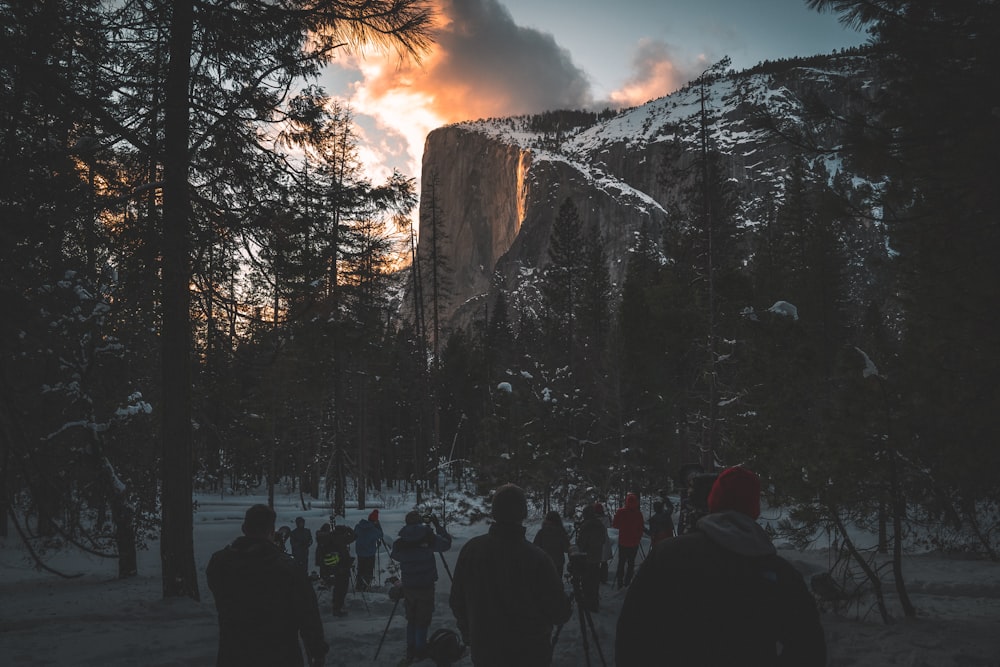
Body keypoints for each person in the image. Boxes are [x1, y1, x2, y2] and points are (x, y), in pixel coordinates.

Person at [615, 466, 827, 666]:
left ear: (712, 502)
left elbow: (632, 632)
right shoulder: (780, 574)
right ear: (754, 509)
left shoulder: (668, 555)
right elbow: (809, 648)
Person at [450, 484, 571, 667]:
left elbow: (457, 601)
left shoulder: (471, 550)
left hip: (485, 653)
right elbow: (559, 612)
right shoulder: (537, 558)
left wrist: (471, 633)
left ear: (494, 512)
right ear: (522, 513)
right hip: (529, 656)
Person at [206, 504, 328, 667]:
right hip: (280, 655)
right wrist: (317, 652)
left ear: (244, 528)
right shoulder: (287, 569)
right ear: (271, 530)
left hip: (234, 654)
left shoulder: (220, 563)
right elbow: (308, 614)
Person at [390, 509, 453, 662]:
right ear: (420, 521)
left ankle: (411, 648)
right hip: (425, 585)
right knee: (423, 619)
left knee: (412, 618)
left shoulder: (401, 541)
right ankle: (420, 650)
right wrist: (438, 526)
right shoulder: (428, 536)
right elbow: (446, 544)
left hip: (409, 586)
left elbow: (395, 555)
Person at [315, 517, 356, 616]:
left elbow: (319, 556)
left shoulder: (325, 540)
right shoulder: (338, 538)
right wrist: (347, 528)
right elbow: (354, 536)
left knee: (338, 587)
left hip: (334, 568)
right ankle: (337, 608)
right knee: (341, 588)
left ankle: (336, 605)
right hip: (342, 567)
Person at [574, 503, 607, 612]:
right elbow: (603, 540)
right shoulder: (600, 524)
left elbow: (580, 544)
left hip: (586, 558)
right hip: (597, 557)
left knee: (586, 582)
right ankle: (594, 602)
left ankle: (588, 603)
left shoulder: (586, 526)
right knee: (595, 581)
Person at [611, 492, 644, 588]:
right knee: (631, 563)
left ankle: (620, 582)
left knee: (621, 562)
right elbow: (641, 528)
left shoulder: (621, 511)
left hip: (623, 542)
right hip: (634, 542)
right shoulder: (638, 513)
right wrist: (638, 537)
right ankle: (627, 582)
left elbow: (615, 525)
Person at [532, 510, 571, 577]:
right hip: (557, 564)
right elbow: (567, 549)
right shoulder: (560, 532)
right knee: (557, 584)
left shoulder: (541, 532)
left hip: (544, 563)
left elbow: (535, 548)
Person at [353, 509, 385, 591]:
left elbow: (354, 534)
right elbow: (381, 535)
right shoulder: (373, 530)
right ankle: (366, 586)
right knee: (368, 570)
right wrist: (378, 526)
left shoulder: (358, 526)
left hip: (360, 552)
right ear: (375, 521)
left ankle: (359, 585)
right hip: (369, 553)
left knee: (360, 569)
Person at [593, 502, 614, 584]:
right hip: (604, 541)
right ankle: (603, 578)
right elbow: (608, 526)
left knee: (596, 562)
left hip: (595, 541)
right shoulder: (606, 518)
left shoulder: (592, 519)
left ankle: (596, 578)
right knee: (604, 561)